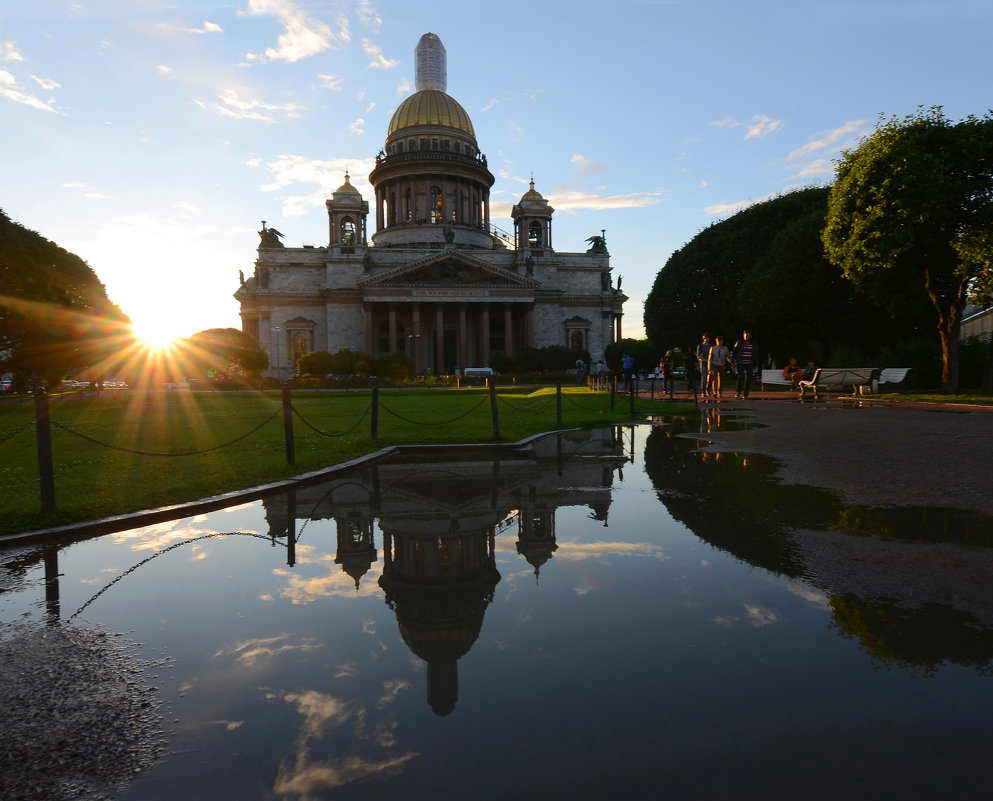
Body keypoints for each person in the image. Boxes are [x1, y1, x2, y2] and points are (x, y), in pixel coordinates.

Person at [732, 330, 759, 399]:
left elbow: (756, 354)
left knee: (749, 378)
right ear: (743, 336)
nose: (747, 337)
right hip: (741, 362)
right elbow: (734, 352)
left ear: (751, 336)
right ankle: (738, 392)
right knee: (741, 376)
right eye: (746, 336)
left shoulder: (754, 343)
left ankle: (745, 394)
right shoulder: (739, 342)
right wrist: (733, 361)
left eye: (749, 336)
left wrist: (756, 363)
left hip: (750, 363)